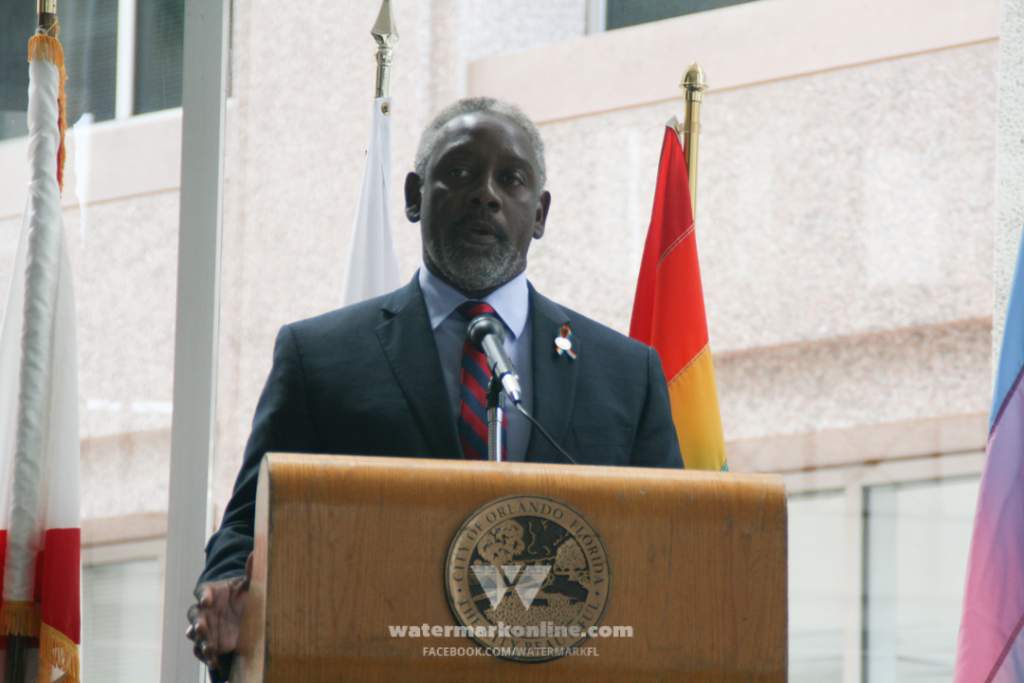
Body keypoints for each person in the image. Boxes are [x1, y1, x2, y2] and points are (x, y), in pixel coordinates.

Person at [185, 97, 683, 678]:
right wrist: (227, 588)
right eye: (461, 173)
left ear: (540, 214)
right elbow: (250, 520)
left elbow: (671, 542)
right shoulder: (319, 356)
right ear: (414, 196)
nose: (486, 195)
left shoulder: (624, 373)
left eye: (511, 179)